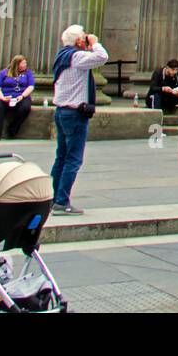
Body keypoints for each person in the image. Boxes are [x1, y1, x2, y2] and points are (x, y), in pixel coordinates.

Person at [50, 24, 108, 215]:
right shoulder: (77, 57)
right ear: (78, 41)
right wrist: (95, 43)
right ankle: (61, 200)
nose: (86, 40)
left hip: (61, 111)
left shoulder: (62, 56)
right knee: (73, 159)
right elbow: (102, 57)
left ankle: (53, 197)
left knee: (61, 157)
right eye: (83, 38)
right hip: (74, 113)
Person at [0, 55, 35, 141]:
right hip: (5, 96)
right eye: (23, 63)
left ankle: (12, 129)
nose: (25, 65)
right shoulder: (4, 72)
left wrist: (22, 96)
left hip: (21, 96)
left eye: (25, 63)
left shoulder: (28, 73)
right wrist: (2, 98)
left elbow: (30, 86)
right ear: (17, 64)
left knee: (25, 108)